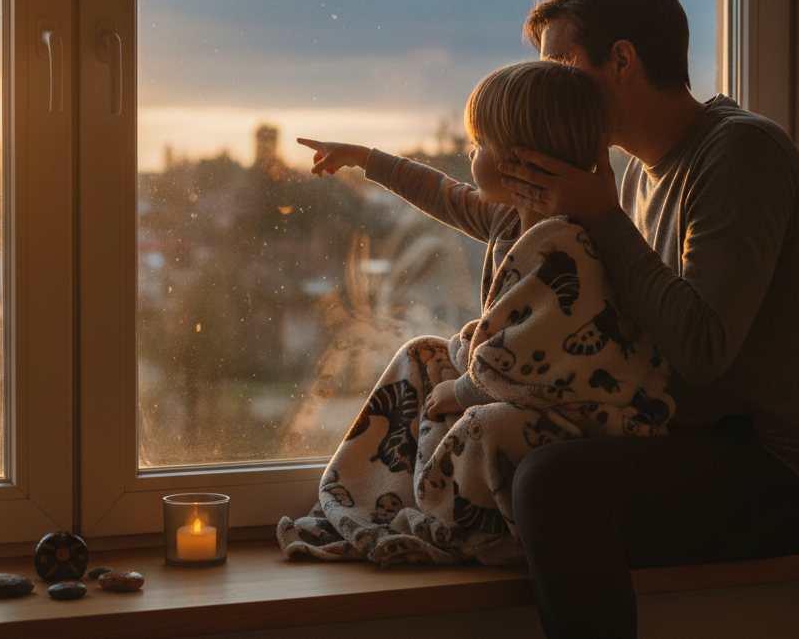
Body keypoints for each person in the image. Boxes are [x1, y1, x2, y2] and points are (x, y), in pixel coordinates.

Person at [499, 0, 799, 638]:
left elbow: (702, 348)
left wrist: (603, 218)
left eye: (564, 66)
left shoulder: (740, 152)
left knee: (552, 484)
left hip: (774, 469)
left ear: (622, 60)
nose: (552, 87)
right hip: (689, 437)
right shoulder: (632, 176)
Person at [277, 60, 674, 567]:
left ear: (518, 161)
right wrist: (366, 159)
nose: (470, 153)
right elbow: (441, 194)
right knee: (420, 355)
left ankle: (459, 521)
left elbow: (543, 358)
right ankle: (367, 493)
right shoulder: (510, 216)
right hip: (514, 384)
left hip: (582, 414)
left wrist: (462, 390)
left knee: (485, 426)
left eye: (480, 143)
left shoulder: (568, 245)